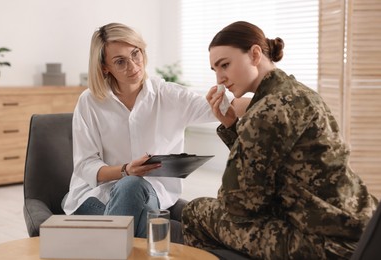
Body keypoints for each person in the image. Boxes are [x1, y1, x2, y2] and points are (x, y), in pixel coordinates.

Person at [181, 21, 378, 259]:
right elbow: (271, 164)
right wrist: (232, 126)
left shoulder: (267, 110)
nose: (220, 79)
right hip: (358, 229)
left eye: (225, 65)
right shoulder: (299, 93)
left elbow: (238, 205)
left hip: (323, 244)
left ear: (255, 54)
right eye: (215, 70)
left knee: (196, 211)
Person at [62, 22, 248, 242]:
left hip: (150, 195)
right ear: (104, 67)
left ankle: (116, 245)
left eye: (135, 54)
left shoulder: (168, 95)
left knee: (135, 194)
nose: (133, 66)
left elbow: (227, 107)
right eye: (120, 61)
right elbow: (85, 165)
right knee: (132, 189)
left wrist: (274, 99)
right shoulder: (90, 102)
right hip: (96, 198)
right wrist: (126, 170)